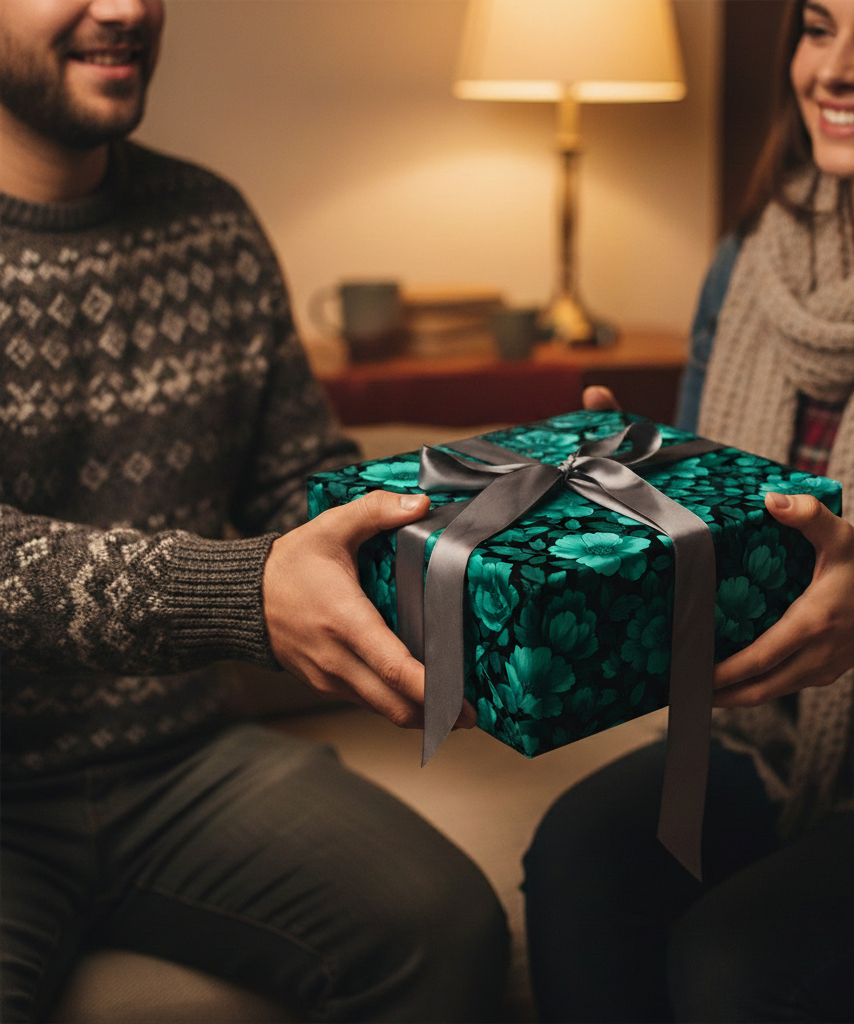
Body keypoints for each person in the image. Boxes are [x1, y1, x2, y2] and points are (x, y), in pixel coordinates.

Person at [0, 1, 508, 1021]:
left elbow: (298, 489)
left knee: (449, 928)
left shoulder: (212, 223)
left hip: (179, 765)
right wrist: (237, 588)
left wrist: (518, 499)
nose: (126, 9)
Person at [524, 1, 854, 1021]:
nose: (832, 70)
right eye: (815, 26)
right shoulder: (750, 257)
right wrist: (623, 491)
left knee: (734, 958)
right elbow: (728, 539)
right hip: (776, 731)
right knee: (578, 854)